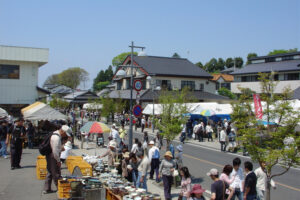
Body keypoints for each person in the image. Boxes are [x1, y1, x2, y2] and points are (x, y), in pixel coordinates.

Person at [44, 125, 71, 194]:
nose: (65, 135)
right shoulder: (56, 138)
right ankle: (60, 189)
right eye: (65, 133)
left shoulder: (55, 133)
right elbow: (55, 152)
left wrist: (61, 147)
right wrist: (58, 161)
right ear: (62, 131)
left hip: (50, 155)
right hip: (53, 156)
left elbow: (55, 148)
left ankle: (47, 189)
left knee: (50, 171)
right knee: (56, 173)